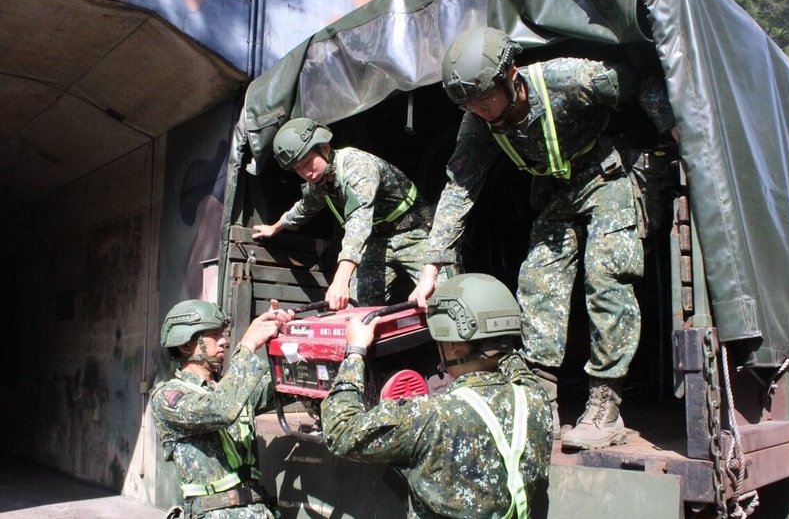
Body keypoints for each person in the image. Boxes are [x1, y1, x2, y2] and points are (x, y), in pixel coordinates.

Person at [411, 27, 677, 450]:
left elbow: (637, 79)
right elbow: (460, 186)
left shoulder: (568, 78)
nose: (480, 110)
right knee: (537, 284)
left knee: (606, 277)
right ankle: (540, 402)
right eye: (469, 104)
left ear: (510, 76)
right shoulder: (478, 122)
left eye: (485, 99)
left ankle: (606, 408)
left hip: (606, 178)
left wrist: (675, 133)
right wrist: (431, 266)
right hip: (557, 193)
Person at [322, 273, 552, 518]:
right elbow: (511, 361)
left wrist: (355, 350)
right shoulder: (535, 398)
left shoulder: (429, 416)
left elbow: (341, 431)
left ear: (455, 346)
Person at [253, 117, 439, 310]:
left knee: (446, 297)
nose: (306, 173)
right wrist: (275, 227)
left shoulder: (358, 167)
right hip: (376, 242)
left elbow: (359, 222)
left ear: (324, 148)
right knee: (354, 308)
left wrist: (341, 279)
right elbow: (305, 207)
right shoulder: (320, 180)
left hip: (415, 233)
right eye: (298, 169)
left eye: (308, 162)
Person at [150, 298, 293, 518]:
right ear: (186, 345)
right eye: (214, 335)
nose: (224, 341)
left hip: (259, 510)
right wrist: (248, 346)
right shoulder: (168, 397)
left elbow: (286, 386)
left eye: (222, 334)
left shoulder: (233, 388)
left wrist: (285, 340)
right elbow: (220, 409)